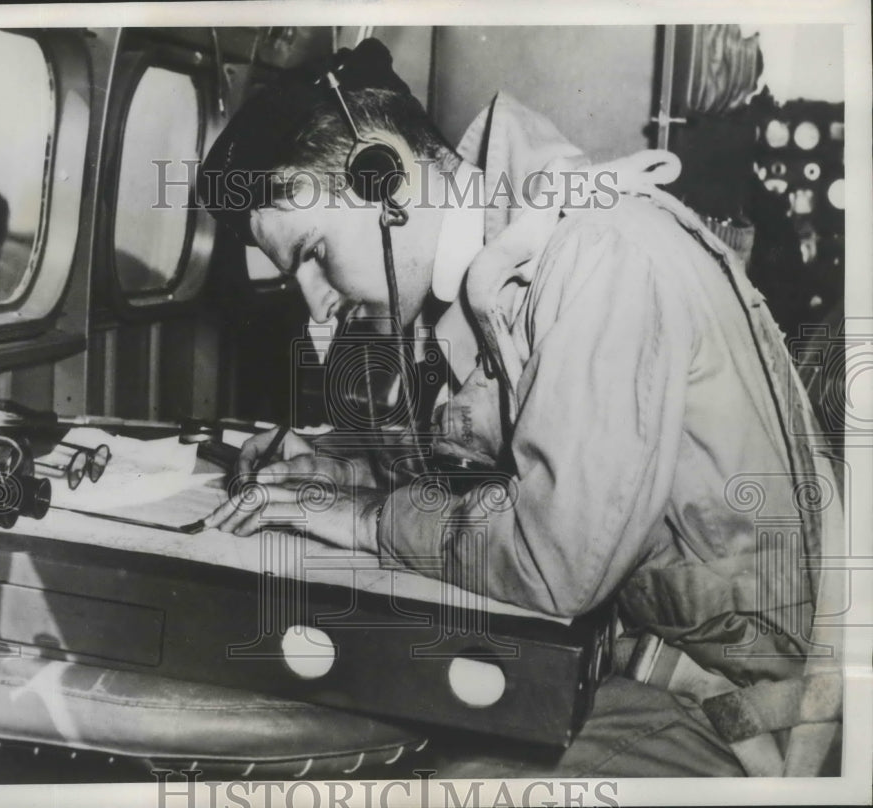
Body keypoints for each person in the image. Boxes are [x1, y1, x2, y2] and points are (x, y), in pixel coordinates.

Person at [198, 39, 843, 777]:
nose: (316, 302)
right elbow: (499, 464)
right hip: (643, 656)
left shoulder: (601, 258)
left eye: (312, 253)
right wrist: (338, 474)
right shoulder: (501, 270)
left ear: (382, 177)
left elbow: (552, 559)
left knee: (446, 778)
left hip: (740, 704)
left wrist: (366, 520)